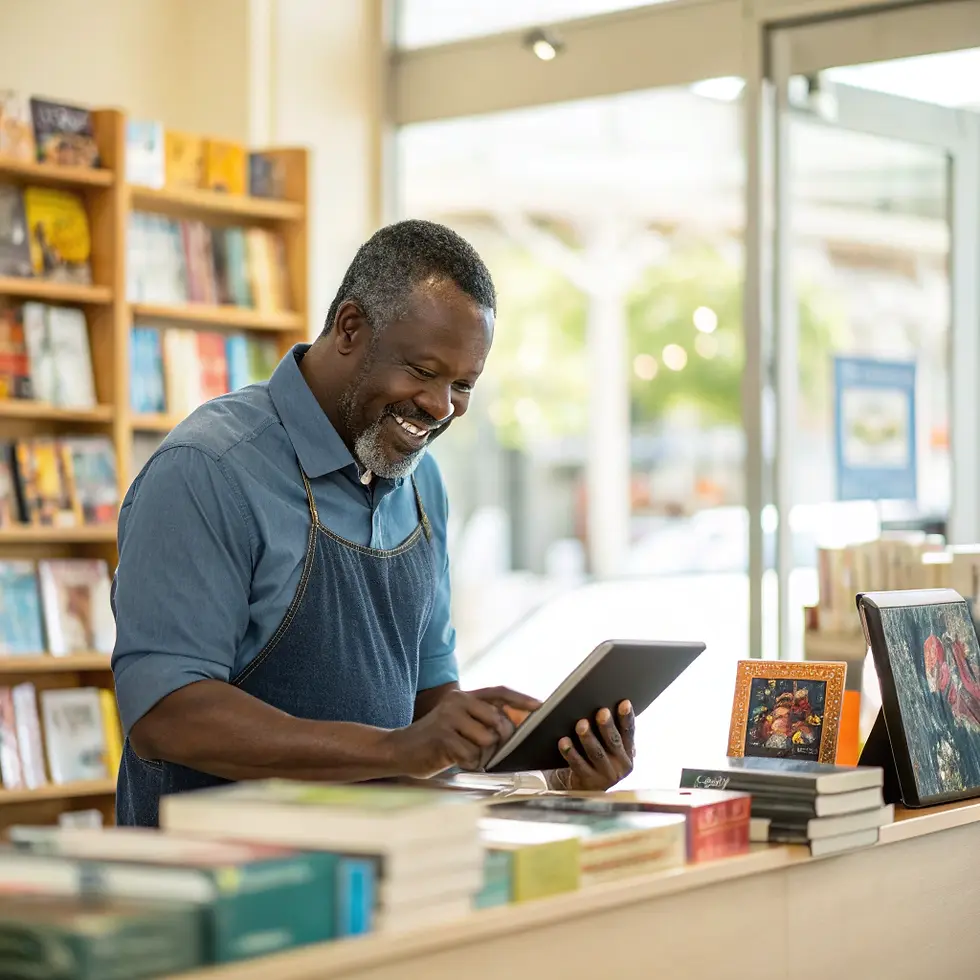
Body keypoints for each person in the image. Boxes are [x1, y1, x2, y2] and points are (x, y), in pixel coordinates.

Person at [111, 219, 635, 827]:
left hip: (374, 879)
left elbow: (426, 706)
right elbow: (165, 714)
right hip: (216, 890)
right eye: (422, 370)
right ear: (351, 328)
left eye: (463, 385)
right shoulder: (207, 471)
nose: (441, 408)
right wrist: (394, 750)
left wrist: (546, 761)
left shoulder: (422, 483)